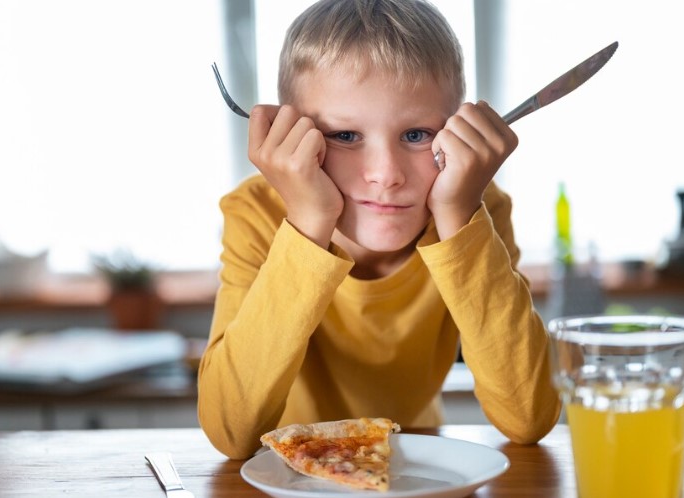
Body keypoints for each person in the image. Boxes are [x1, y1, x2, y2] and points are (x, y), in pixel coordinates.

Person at [198, 0, 561, 460]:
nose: (386, 174)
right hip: (289, 474)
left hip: (420, 467)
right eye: (346, 136)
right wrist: (309, 223)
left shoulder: (474, 209)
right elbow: (232, 432)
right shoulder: (255, 213)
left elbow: (528, 418)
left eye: (416, 135)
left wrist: (457, 217)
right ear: (291, 136)